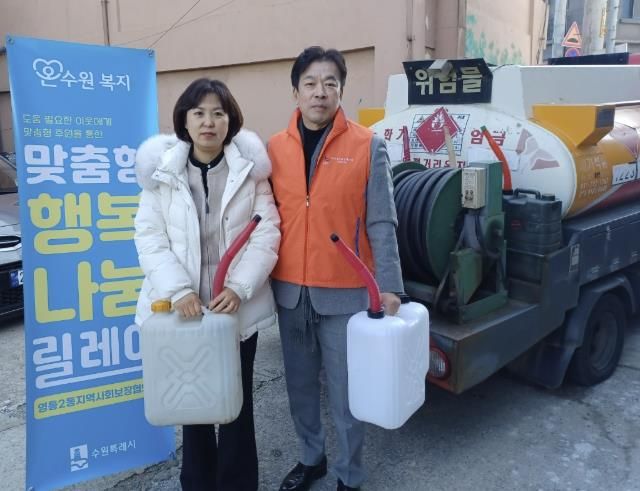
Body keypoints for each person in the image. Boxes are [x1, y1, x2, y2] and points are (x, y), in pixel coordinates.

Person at [133, 78, 280, 491]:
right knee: (191, 403)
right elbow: (149, 237)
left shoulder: (251, 174)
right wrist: (178, 290)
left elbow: (266, 234)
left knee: (237, 403)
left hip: (235, 312)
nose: (208, 122)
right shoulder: (162, 175)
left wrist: (240, 287)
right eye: (198, 113)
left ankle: (238, 484)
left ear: (231, 121)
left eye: (218, 113)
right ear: (184, 120)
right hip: (183, 313)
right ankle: (197, 483)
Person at [268, 47, 404, 491]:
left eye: (330, 83)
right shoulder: (274, 149)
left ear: (341, 91)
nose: (320, 92)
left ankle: (350, 474)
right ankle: (312, 459)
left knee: (346, 393)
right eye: (310, 83)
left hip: (346, 293)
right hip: (291, 291)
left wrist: (389, 285)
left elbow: (382, 220)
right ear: (295, 91)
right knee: (300, 386)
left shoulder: (368, 145)